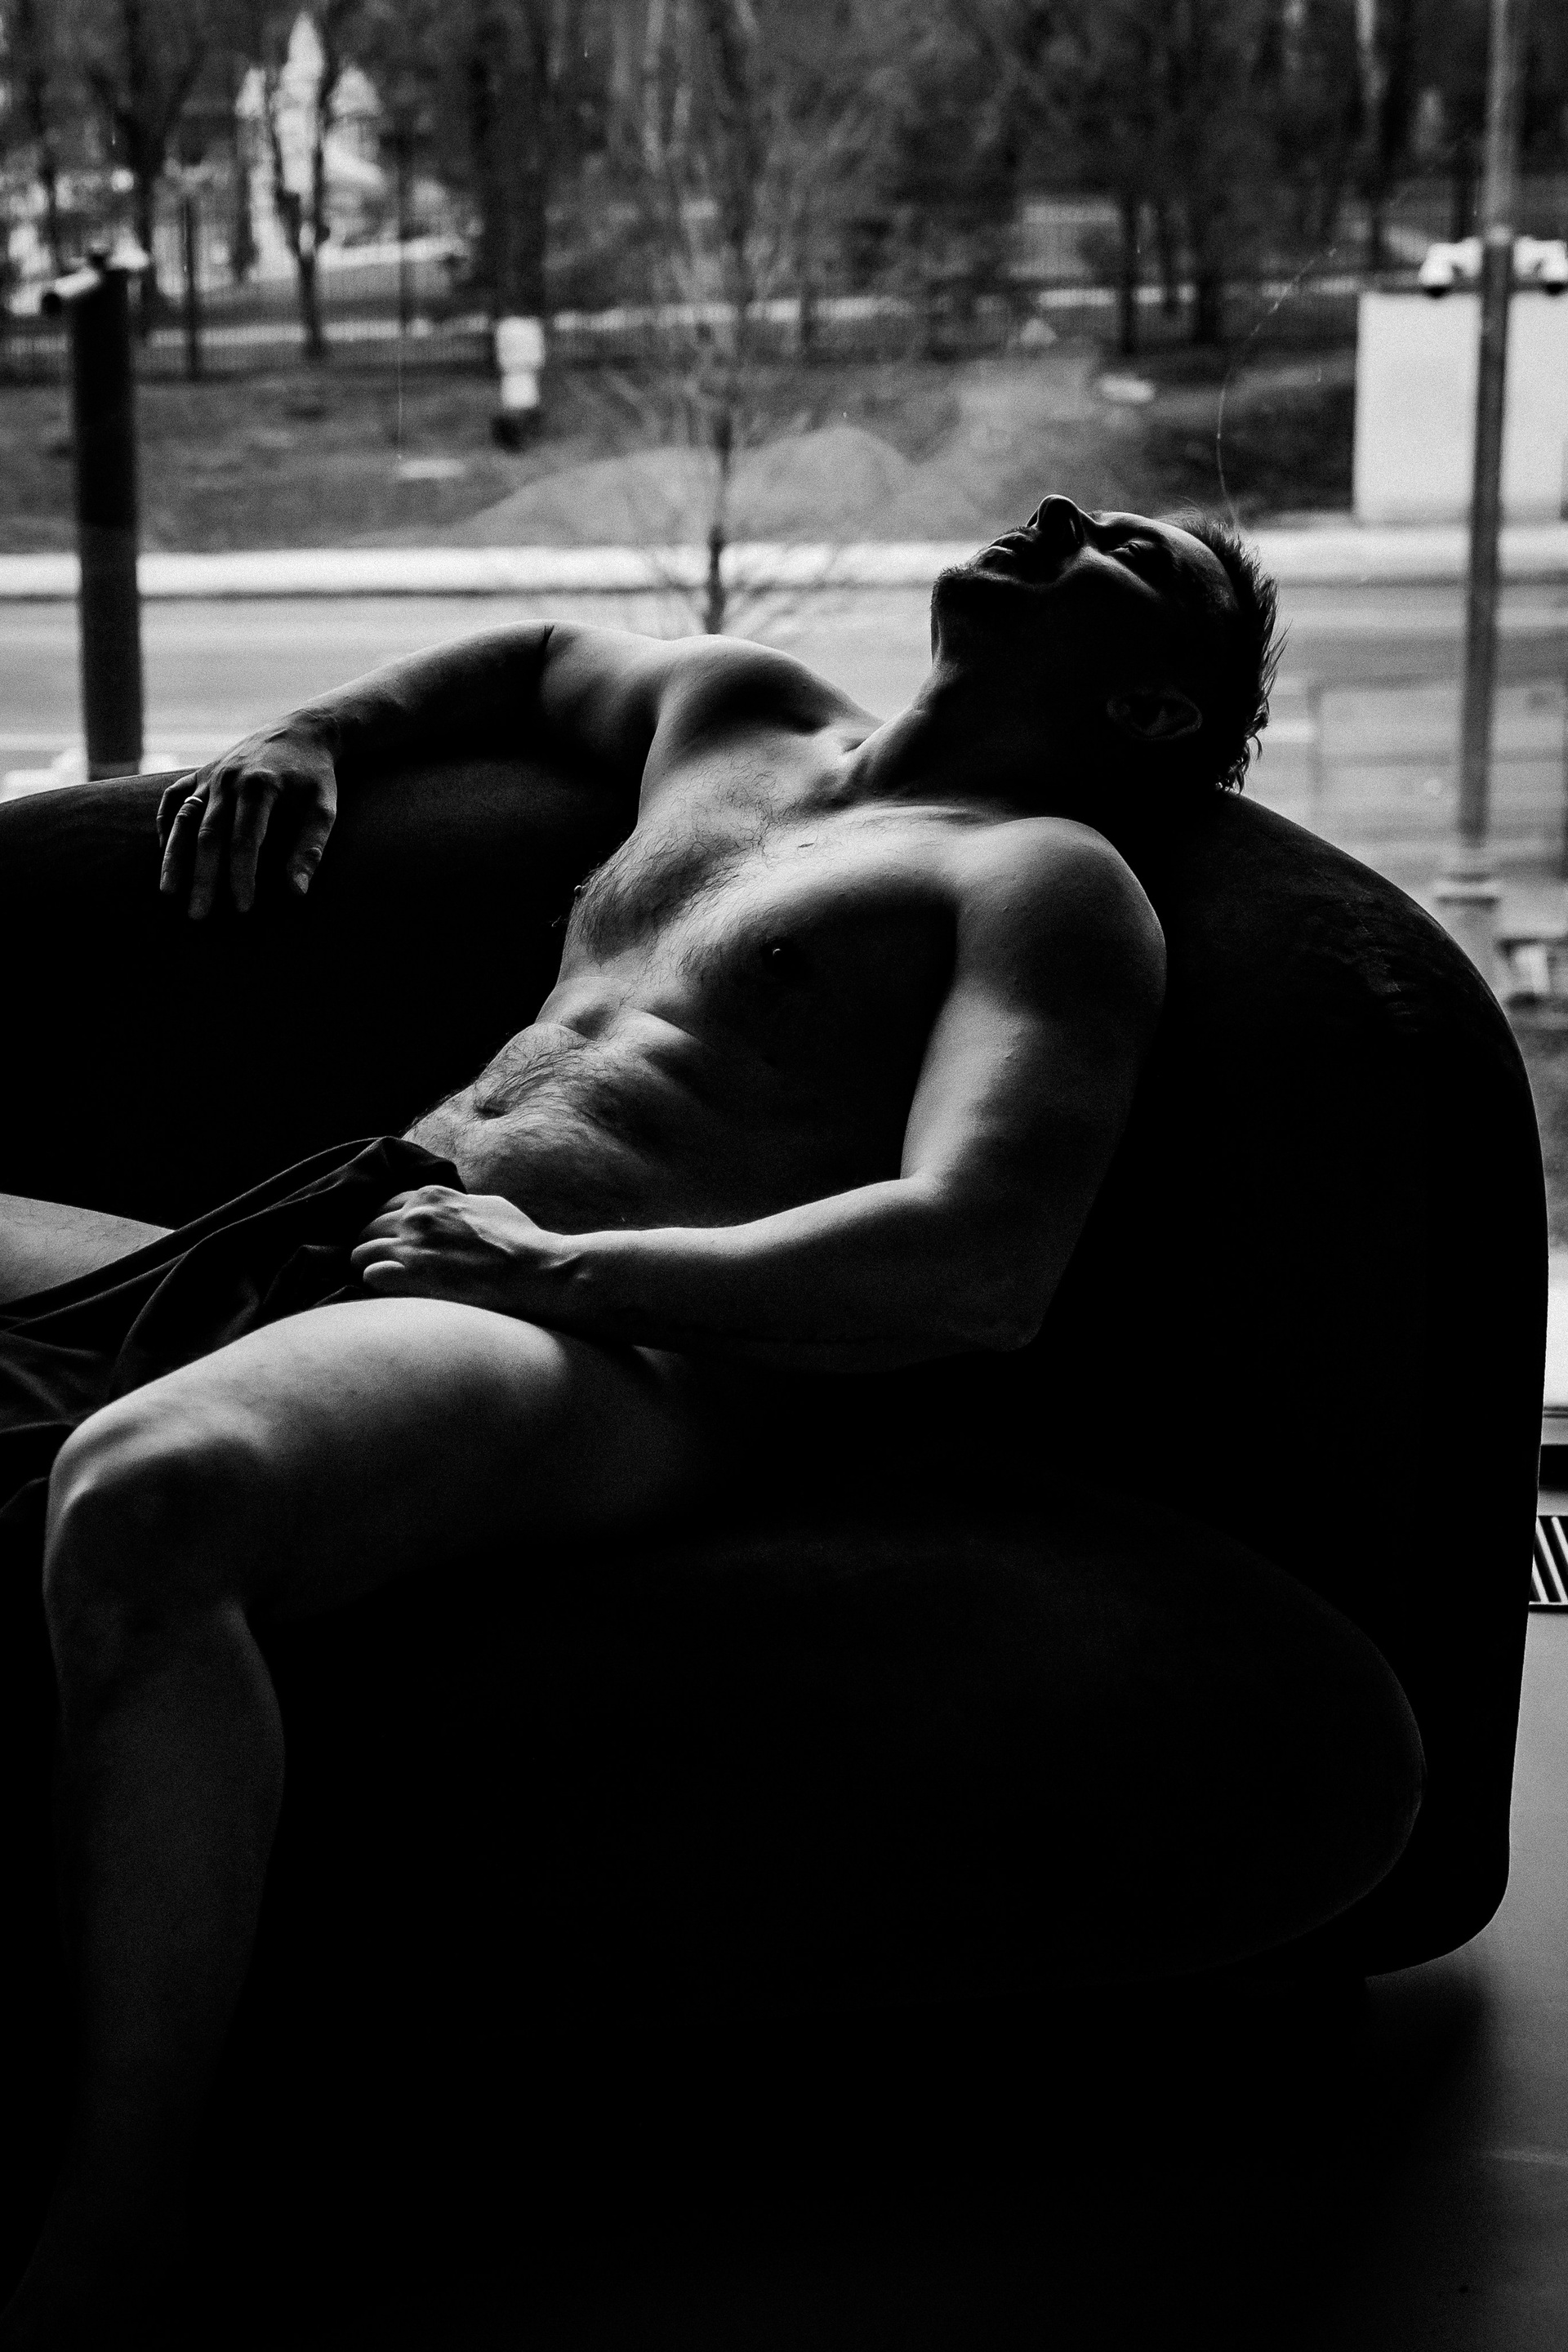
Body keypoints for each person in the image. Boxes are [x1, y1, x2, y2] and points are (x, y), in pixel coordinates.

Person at [0, 497, 1310, 2346]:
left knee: (153, 1495)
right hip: (358, 1220)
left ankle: (122, 2218)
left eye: (1128, 552)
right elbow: (541, 663)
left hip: (616, 1345)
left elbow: (980, 1259)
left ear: (1154, 706)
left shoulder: (1044, 882)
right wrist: (314, 735)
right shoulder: (743, 715)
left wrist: (565, 1271)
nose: (1057, 514)